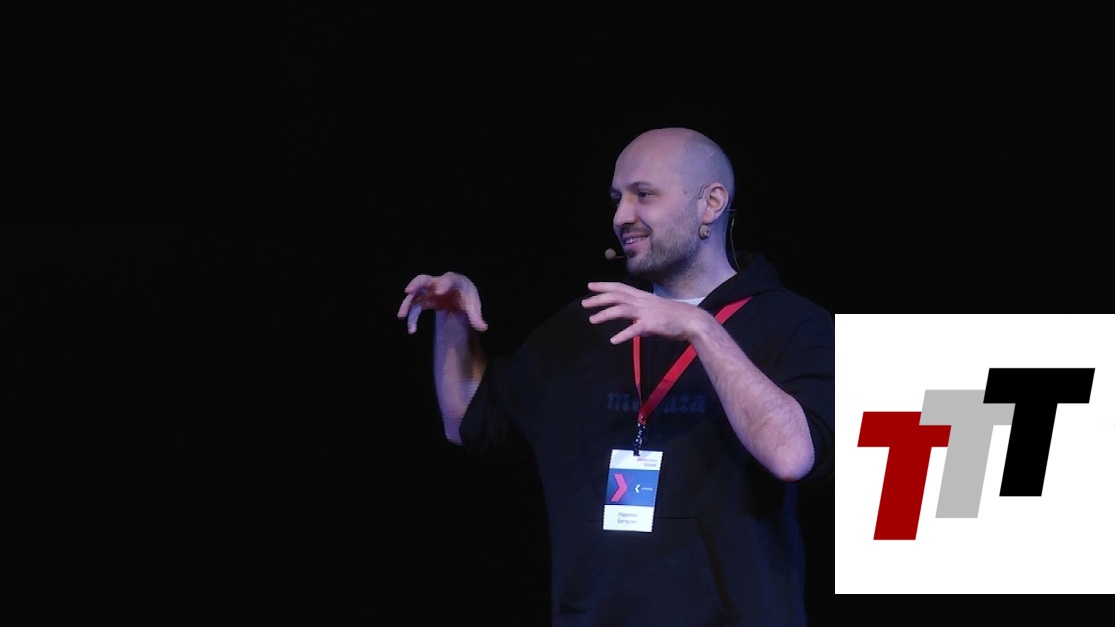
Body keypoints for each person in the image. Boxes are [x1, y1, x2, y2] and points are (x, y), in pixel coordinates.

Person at [397, 127, 835, 626]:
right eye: (617, 199)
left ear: (711, 203)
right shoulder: (589, 322)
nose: (622, 216)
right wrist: (451, 320)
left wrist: (700, 328)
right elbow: (466, 420)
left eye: (643, 194)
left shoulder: (791, 324)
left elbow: (791, 455)